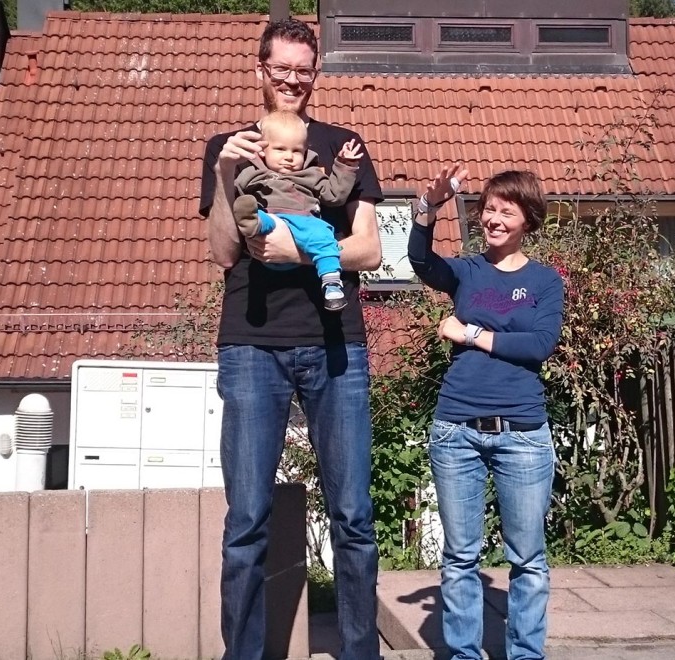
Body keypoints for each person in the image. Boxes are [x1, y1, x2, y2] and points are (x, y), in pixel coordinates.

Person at [198, 17, 383, 660]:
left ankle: (361, 652)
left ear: (315, 74)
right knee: (246, 518)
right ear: (261, 69)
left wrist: (301, 253)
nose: (292, 79)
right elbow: (225, 253)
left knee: (354, 517)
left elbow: (369, 246)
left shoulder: (344, 145)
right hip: (251, 345)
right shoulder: (228, 146)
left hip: (337, 344)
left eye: (303, 69)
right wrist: (226, 179)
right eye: (282, 68)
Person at [407, 165, 565, 660]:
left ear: (527, 220)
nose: (494, 218)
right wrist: (427, 208)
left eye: (506, 210)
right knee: (459, 558)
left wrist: (470, 333)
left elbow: (538, 345)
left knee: (529, 560)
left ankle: (525, 654)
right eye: (490, 209)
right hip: (456, 431)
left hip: (522, 434)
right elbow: (419, 259)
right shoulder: (466, 271)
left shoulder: (544, 281)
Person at [232, 108, 367, 311]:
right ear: (262, 150)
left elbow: (334, 195)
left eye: (296, 151)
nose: (289, 157)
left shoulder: (311, 175)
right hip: (272, 224)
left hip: (304, 223)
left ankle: (331, 285)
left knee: (324, 235)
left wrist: (344, 166)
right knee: (254, 212)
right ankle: (253, 223)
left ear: (305, 152)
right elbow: (233, 194)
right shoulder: (251, 174)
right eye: (280, 149)